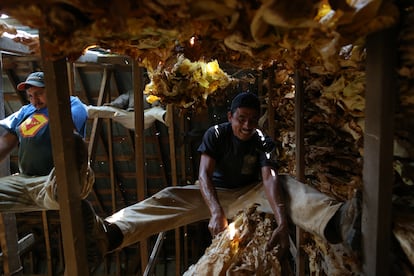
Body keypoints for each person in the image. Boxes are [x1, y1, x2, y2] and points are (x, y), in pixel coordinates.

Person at [82, 92, 360, 272]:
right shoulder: (216, 134)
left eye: (252, 120)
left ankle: (334, 219)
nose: (247, 126)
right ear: (231, 117)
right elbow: (204, 175)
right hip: (214, 192)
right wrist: (215, 210)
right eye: (241, 119)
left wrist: (283, 221)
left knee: (285, 183)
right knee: (168, 196)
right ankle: (113, 232)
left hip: (250, 193)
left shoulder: (262, 140)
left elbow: (268, 177)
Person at [0, 71, 94, 212]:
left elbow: (69, 132)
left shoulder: (72, 104)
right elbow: (6, 141)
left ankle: (69, 195)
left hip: (53, 178)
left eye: (39, 94)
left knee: (59, 192)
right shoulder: (25, 111)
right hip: (25, 180)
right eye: (30, 96)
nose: (34, 100)